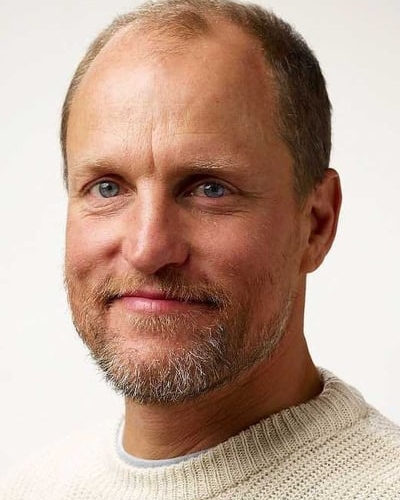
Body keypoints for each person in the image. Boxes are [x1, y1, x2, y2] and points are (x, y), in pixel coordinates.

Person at [1, 0, 399, 498]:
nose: (148, 248)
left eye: (210, 189)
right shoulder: (32, 486)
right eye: (107, 188)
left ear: (316, 223)